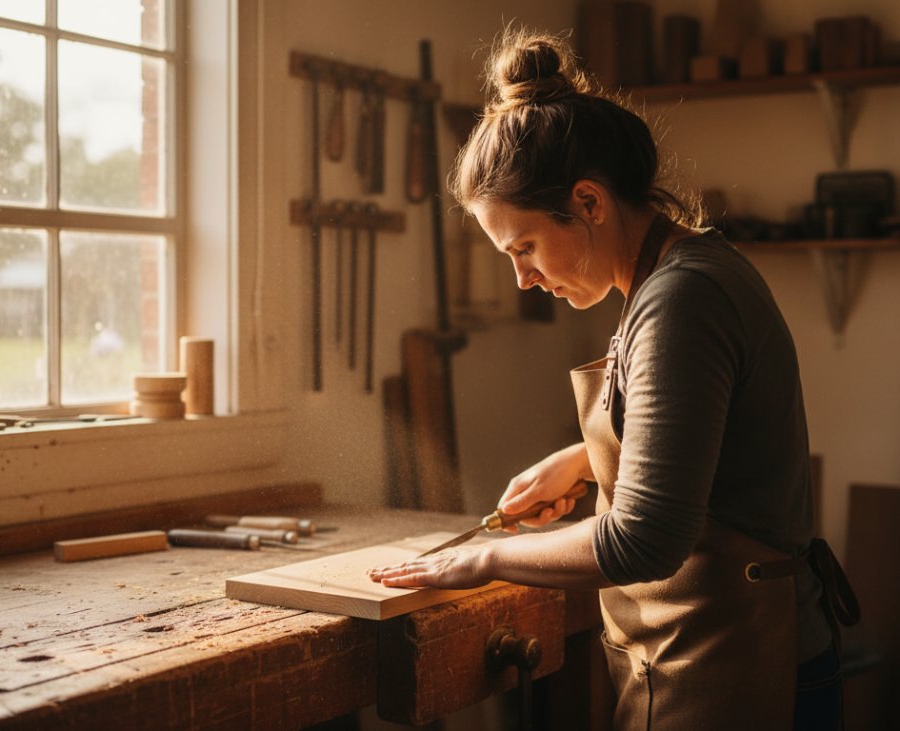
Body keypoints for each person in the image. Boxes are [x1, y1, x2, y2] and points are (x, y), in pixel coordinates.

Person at [368, 27, 858, 730]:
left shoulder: (681, 299)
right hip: (705, 664)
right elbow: (706, 439)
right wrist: (580, 461)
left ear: (591, 202)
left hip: (748, 678)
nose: (524, 278)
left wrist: (481, 561)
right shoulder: (674, 278)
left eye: (527, 246)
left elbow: (644, 539)